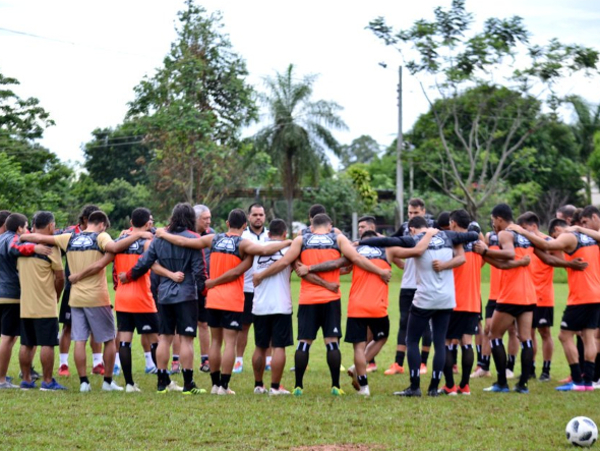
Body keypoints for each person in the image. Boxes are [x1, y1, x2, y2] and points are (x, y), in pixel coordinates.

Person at [155, 208, 291, 395]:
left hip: (214, 299)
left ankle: (214, 384)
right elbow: (265, 249)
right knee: (229, 343)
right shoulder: (243, 243)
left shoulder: (213, 239)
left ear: (227, 223)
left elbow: (183, 241)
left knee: (215, 342)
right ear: (245, 225)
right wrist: (289, 241)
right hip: (232, 299)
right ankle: (224, 386)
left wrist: (162, 232)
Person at [253, 213, 392, 396]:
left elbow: (286, 262)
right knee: (332, 343)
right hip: (331, 298)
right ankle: (335, 385)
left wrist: (262, 275)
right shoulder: (338, 238)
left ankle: (298, 386)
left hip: (307, 299)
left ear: (311, 226)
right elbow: (356, 259)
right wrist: (380, 271)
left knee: (304, 343)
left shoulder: (302, 239)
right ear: (330, 226)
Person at [298, 227, 439, 396]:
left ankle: (364, 388)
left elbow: (337, 265)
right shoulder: (389, 249)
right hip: (377, 306)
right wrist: (429, 234)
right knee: (382, 337)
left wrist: (310, 268)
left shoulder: (355, 251)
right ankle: (358, 367)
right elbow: (416, 251)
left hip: (356, 306)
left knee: (359, 346)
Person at [21, 210, 147, 392]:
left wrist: (22, 237)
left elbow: (37, 237)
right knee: (109, 339)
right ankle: (107, 381)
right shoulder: (101, 237)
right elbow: (114, 248)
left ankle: (84, 383)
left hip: (76, 298)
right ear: (102, 224)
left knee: (79, 340)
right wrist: (138, 235)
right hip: (97, 297)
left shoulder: (69, 237)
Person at [369, 216, 479, 397]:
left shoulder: (415, 239)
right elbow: (473, 235)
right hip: (446, 299)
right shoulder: (448, 236)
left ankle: (415, 386)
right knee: (440, 342)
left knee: (412, 340)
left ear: (412, 229)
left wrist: (363, 241)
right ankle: (434, 387)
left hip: (425, 299)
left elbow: (388, 241)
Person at [120, 203, 204, 395]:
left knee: (164, 338)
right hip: (187, 295)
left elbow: (144, 263)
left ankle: (161, 382)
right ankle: (188, 383)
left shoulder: (159, 239)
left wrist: (129, 276)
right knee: (186, 340)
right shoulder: (194, 239)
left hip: (164, 295)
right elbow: (200, 270)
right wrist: (205, 292)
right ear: (191, 218)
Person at [508, 217, 598, 391]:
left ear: (558, 230)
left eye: (555, 235)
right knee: (588, 337)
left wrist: (524, 232)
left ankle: (578, 381)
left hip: (581, 296)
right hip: (595, 295)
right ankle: (588, 382)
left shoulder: (568, 236)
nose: (557, 239)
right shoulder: (590, 238)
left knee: (564, 336)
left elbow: (549, 246)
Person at [474, 204, 536, 394]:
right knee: (526, 339)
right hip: (528, 294)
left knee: (494, 336)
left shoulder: (505, 233)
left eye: (493, 221)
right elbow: (505, 264)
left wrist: (485, 251)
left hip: (510, 294)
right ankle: (523, 385)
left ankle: (501, 382)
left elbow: (508, 254)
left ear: (499, 218)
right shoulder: (524, 235)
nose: (493, 225)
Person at [111, 208, 163, 393]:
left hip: (122, 297)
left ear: (131, 222)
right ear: (148, 223)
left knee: (125, 340)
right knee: (156, 340)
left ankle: (129, 384)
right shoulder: (147, 243)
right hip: (142, 297)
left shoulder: (120, 240)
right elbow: (150, 265)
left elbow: (112, 259)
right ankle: (163, 381)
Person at [0, 213, 52, 389]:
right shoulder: (12, 238)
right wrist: (34, 248)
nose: (28, 229)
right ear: (20, 228)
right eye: (26, 226)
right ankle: (1, 379)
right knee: (8, 338)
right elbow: (15, 247)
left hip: (2, 293)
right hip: (11, 294)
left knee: (8, 337)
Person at [17, 211, 67, 391]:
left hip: (26, 303)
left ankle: (27, 379)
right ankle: (47, 381)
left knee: (26, 343)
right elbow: (60, 277)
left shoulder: (21, 244)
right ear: (51, 226)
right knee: (48, 343)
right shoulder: (51, 247)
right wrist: (57, 295)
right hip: (45, 303)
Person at [385, 198, 435, 376]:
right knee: (404, 322)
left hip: (425, 283)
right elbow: (390, 245)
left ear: (424, 211)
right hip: (407, 284)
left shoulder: (433, 230)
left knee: (426, 324)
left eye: (416, 213)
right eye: (410, 213)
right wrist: (401, 264)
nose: (412, 216)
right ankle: (398, 363)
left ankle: (423, 363)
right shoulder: (406, 228)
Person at [56, 204, 104, 377]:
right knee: (68, 326)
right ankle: (63, 365)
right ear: (84, 219)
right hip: (72, 286)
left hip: (94, 288)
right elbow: (51, 244)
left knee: (95, 327)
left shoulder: (100, 235)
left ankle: (98, 363)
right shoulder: (69, 234)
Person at [250, 219, 293, 395]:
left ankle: (258, 385)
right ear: (285, 234)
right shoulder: (289, 248)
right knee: (279, 347)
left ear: (268, 234)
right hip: (281, 304)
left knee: (260, 346)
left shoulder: (256, 248)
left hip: (260, 304)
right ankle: (275, 387)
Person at [236, 203, 269, 374]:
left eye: (261, 215)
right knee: (244, 326)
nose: (258, 218)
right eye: (255, 215)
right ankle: (238, 361)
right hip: (247, 288)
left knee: (268, 325)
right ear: (249, 217)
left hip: (267, 289)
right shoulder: (243, 236)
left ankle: (269, 360)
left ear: (265, 217)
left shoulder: (270, 236)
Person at [193, 204, 213, 373]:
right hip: (184, 285)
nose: (208, 221)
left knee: (204, 323)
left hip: (204, 286)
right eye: (205, 218)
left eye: (209, 218)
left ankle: (205, 360)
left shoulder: (212, 235)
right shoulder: (183, 234)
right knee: (180, 325)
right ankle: (176, 360)